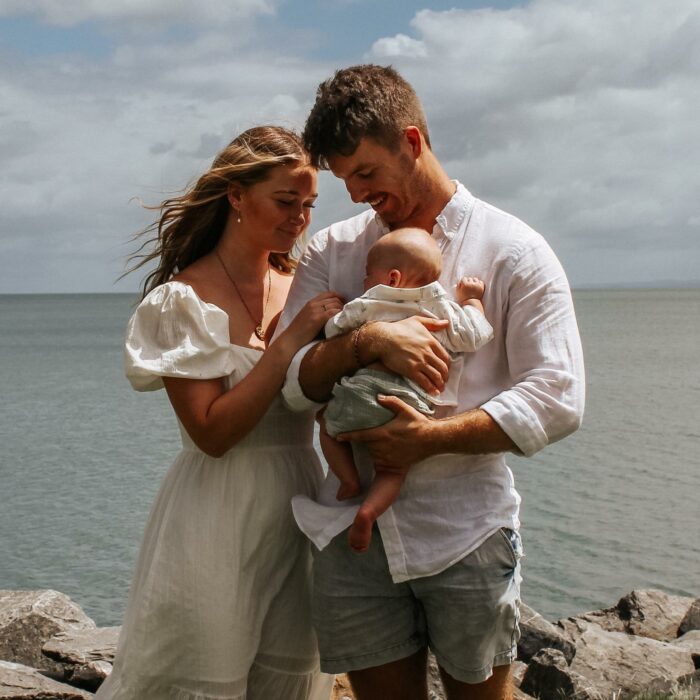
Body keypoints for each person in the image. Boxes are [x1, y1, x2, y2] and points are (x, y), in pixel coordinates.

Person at [276, 66, 585, 700]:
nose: (357, 193)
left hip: (467, 529)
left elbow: (557, 396)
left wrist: (430, 438)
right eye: (344, 180)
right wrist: (363, 342)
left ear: (411, 142)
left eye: (366, 173)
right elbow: (289, 383)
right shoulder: (330, 252)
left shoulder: (514, 251)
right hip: (349, 536)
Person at [96, 126, 340, 700]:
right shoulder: (181, 300)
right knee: (199, 679)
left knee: (291, 680)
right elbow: (210, 433)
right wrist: (286, 344)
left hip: (301, 506)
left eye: (308, 204)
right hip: (215, 514)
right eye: (285, 201)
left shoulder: (305, 286)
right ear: (236, 195)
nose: (299, 218)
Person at [311, 227, 493, 553]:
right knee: (394, 469)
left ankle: (348, 479)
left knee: (326, 423)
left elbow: (333, 330)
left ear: (392, 278)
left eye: (368, 274)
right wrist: (472, 301)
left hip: (362, 392)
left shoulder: (369, 303)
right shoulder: (441, 309)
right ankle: (369, 511)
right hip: (409, 403)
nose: (365, 281)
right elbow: (475, 335)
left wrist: (338, 315)